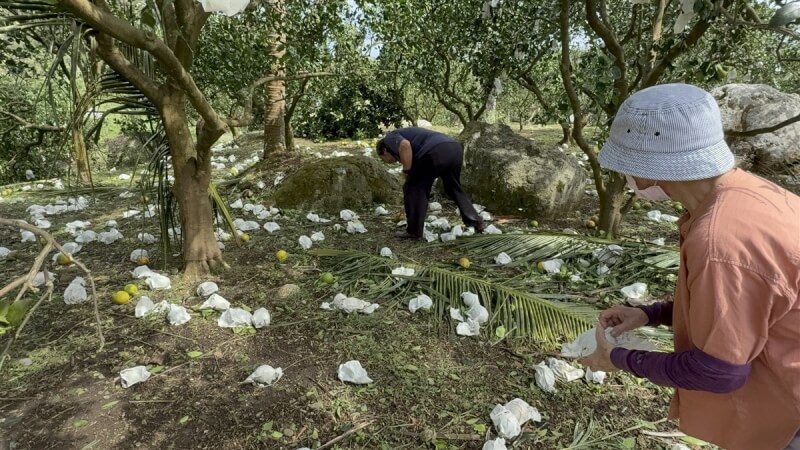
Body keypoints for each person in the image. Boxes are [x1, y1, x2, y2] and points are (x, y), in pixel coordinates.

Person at [580, 83, 800, 450]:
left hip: (789, 413)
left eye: (624, 167)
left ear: (646, 170)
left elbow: (718, 372)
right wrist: (648, 315)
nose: (626, 178)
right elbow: (748, 307)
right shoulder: (749, 195)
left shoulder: (720, 240)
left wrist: (617, 358)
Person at [377, 127, 485, 239]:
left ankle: (414, 231)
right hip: (454, 148)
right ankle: (476, 222)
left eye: (382, 159)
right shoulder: (410, 136)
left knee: (413, 188)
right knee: (453, 188)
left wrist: (407, 171)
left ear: (384, 151)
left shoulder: (389, 138)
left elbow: (405, 145)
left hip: (436, 150)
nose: (388, 162)